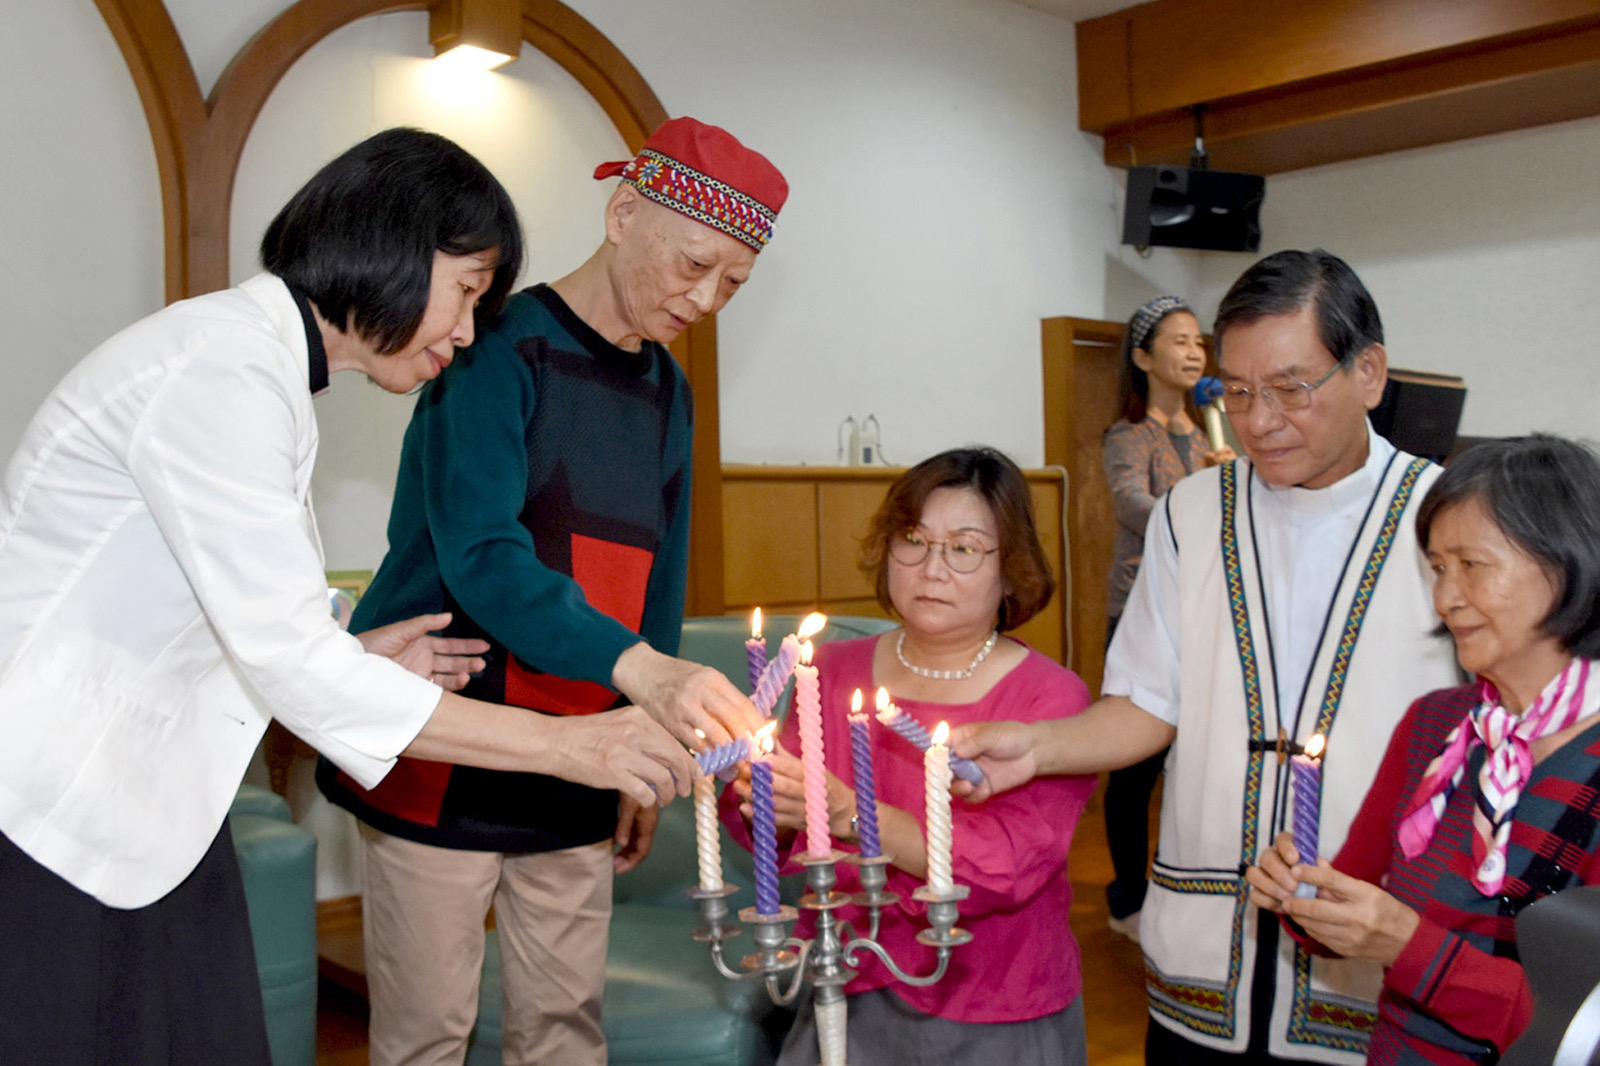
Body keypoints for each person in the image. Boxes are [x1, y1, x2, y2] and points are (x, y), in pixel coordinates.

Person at [0, 128, 695, 1066]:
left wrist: (352, 657)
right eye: (465, 290)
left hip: (134, 802)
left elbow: (229, 618)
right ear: (397, 245)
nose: (465, 328)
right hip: (53, 801)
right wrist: (572, 744)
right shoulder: (225, 370)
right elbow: (290, 658)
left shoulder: (263, 373)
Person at [315, 116, 785, 1066]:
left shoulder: (670, 393)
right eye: (693, 264)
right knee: (426, 1038)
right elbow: (486, 557)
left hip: (585, 755)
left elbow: (658, 586)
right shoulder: (492, 348)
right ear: (623, 215)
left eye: (733, 284)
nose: (704, 298)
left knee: (565, 1032)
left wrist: (648, 742)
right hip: (449, 740)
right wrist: (644, 675)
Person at [954, 250, 1462, 1064]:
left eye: (1292, 388)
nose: (1259, 421)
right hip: (1206, 951)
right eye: (1238, 392)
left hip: (1369, 947)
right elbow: (1148, 701)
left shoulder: (1449, 523)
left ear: (1369, 373)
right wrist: (1038, 747)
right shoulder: (1193, 513)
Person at [722, 447, 1096, 1066]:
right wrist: (763, 790)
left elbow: (1004, 865)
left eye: (965, 547)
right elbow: (773, 837)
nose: (932, 568)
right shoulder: (829, 671)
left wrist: (849, 814)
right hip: (847, 978)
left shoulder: (1049, 697)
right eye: (914, 540)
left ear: (1012, 570)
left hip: (997, 999)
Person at [1246, 434, 1600, 1065]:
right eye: (1438, 567)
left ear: (1567, 563)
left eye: (1473, 565)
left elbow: (1580, 1029)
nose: (1445, 597)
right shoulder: (1435, 726)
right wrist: (1303, 897)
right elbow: (1350, 908)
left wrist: (1405, 945)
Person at [1101, 294, 1234, 943]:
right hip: (1138, 610)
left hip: (1205, 613)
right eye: (1178, 341)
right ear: (1143, 356)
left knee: (1198, 761)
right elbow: (1135, 507)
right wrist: (1205, 494)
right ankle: (1126, 894)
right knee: (1133, 771)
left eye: (1197, 343)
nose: (1191, 352)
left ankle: (1187, 889)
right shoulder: (1127, 436)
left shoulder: (1213, 429)